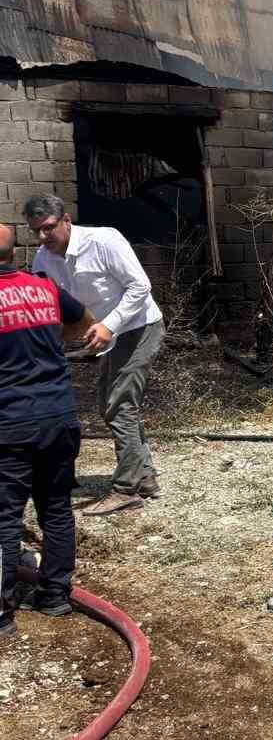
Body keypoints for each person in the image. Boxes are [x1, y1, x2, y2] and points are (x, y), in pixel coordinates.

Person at [24, 195, 165, 515]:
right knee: (108, 403)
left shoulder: (104, 240)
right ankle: (144, 475)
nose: (43, 236)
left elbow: (140, 286)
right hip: (106, 333)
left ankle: (126, 489)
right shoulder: (43, 260)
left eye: (49, 228)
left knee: (119, 405)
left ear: (66, 220)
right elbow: (51, 304)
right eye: (36, 231)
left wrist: (108, 325)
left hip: (139, 326)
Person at [0, 221, 90, 636]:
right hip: (58, 416)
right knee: (55, 507)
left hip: (10, 424)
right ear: (14, 250)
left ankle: (2, 611)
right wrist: (51, 342)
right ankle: (54, 594)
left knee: (4, 517)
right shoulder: (44, 286)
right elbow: (83, 321)